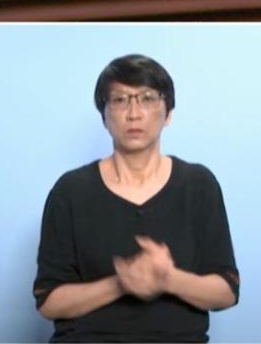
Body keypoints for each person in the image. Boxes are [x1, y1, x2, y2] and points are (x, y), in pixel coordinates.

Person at [34, 54, 239, 343]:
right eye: (120, 100)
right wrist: (120, 283)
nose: (134, 113)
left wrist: (168, 279)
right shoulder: (70, 191)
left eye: (147, 99)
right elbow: (48, 301)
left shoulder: (199, 185)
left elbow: (227, 291)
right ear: (104, 116)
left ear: (168, 113)